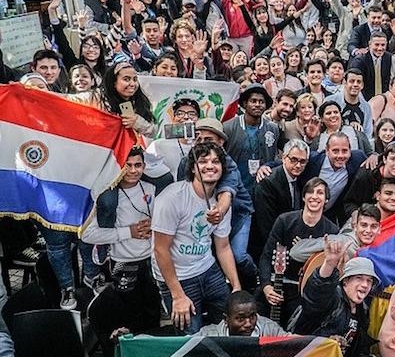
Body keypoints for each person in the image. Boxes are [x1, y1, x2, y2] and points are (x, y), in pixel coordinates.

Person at [152, 142, 241, 335]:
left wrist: (236, 285)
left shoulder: (221, 202)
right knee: (190, 337)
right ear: (193, 168)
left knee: (232, 326)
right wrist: (177, 296)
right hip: (179, 277)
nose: (210, 165)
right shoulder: (172, 198)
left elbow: (223, 246)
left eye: (215, 161)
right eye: (203, 161)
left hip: (208, 269)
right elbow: (160, 250)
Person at [81, 147, 162, 354]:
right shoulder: (105, 194)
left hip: (151, 262)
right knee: (128, 315)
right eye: (128, 165)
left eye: (138, 165)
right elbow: (87, 234)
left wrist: (154, 224)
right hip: (123, 263)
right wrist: (128, 232)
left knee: (152, 312)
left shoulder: (150, 189)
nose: (133, 171)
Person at [259, 178, 340, 326]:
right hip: (276, 283)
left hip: (303, 292)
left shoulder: (332, 230)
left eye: (320, 193)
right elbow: (266, 256)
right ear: (304, 197)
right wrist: (266, 286)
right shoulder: (284, 221)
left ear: (326, 199)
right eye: (310, 192)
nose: (314, 196)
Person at [292, 237, 379, 357]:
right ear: (345, 282)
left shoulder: (362, 311)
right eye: (359, 278)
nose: (365, 285)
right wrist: (329, 264)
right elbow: (316, 293)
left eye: (369, 281)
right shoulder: (332, 298)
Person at [251, 140, 310, 260]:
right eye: (293, 159)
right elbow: (265, 224)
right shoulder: (268, 182)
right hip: (266, 246)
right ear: (283, 158)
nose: (298, 165)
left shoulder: (301, 179)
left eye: (302, 161)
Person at [223, 83, 280, 195]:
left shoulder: (273, 128)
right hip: (236, 188)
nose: (258, 105)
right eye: (253, 101)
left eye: (261, 102)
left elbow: (279, 156)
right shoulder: (228, 127)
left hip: (263, 188)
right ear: (245, 104)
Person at [300, 132, 368, 225]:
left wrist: (374, 155)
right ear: (327, 150)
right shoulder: (312, 160)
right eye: (335, 151)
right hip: (302, 213)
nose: (340, 156)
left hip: (329, 217)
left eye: (344, 151)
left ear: (350, 150)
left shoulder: (357, 158)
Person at [289, 203, 382, 264]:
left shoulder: (377, 250)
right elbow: (295, 252)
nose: (368, 230)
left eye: (373, 226)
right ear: (355, 226)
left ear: (379, 229)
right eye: (364, 225)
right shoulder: (340, 241)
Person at [197, 290, 290, 337]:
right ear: (226, 319)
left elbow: (294, 344)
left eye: (252, 316)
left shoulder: (270, 329)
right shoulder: (208, 336)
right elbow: (183, 346)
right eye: (241, 319)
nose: (248, 324)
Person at [349, 31, 393, 100]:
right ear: (370, 44)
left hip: (385, 100)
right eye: (377, 44)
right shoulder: (360, 61)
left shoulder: (390, 58)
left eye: (383, 45)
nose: (380, 48)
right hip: (365, 100)